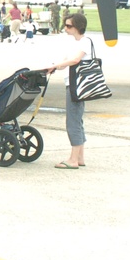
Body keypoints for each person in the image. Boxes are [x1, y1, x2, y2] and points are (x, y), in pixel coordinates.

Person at [46, 12, 93, 170]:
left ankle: (73, 159)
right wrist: (54, 66)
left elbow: (75, 60)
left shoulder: (85, 42)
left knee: (72, 121)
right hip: (72, 83)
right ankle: (80, 157)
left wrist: (61, 64)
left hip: (77, 84)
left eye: (68, 26)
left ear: (78, 27)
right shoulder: (75, 43)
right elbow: (67, 61)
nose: (65, 29)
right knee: (77, 120)